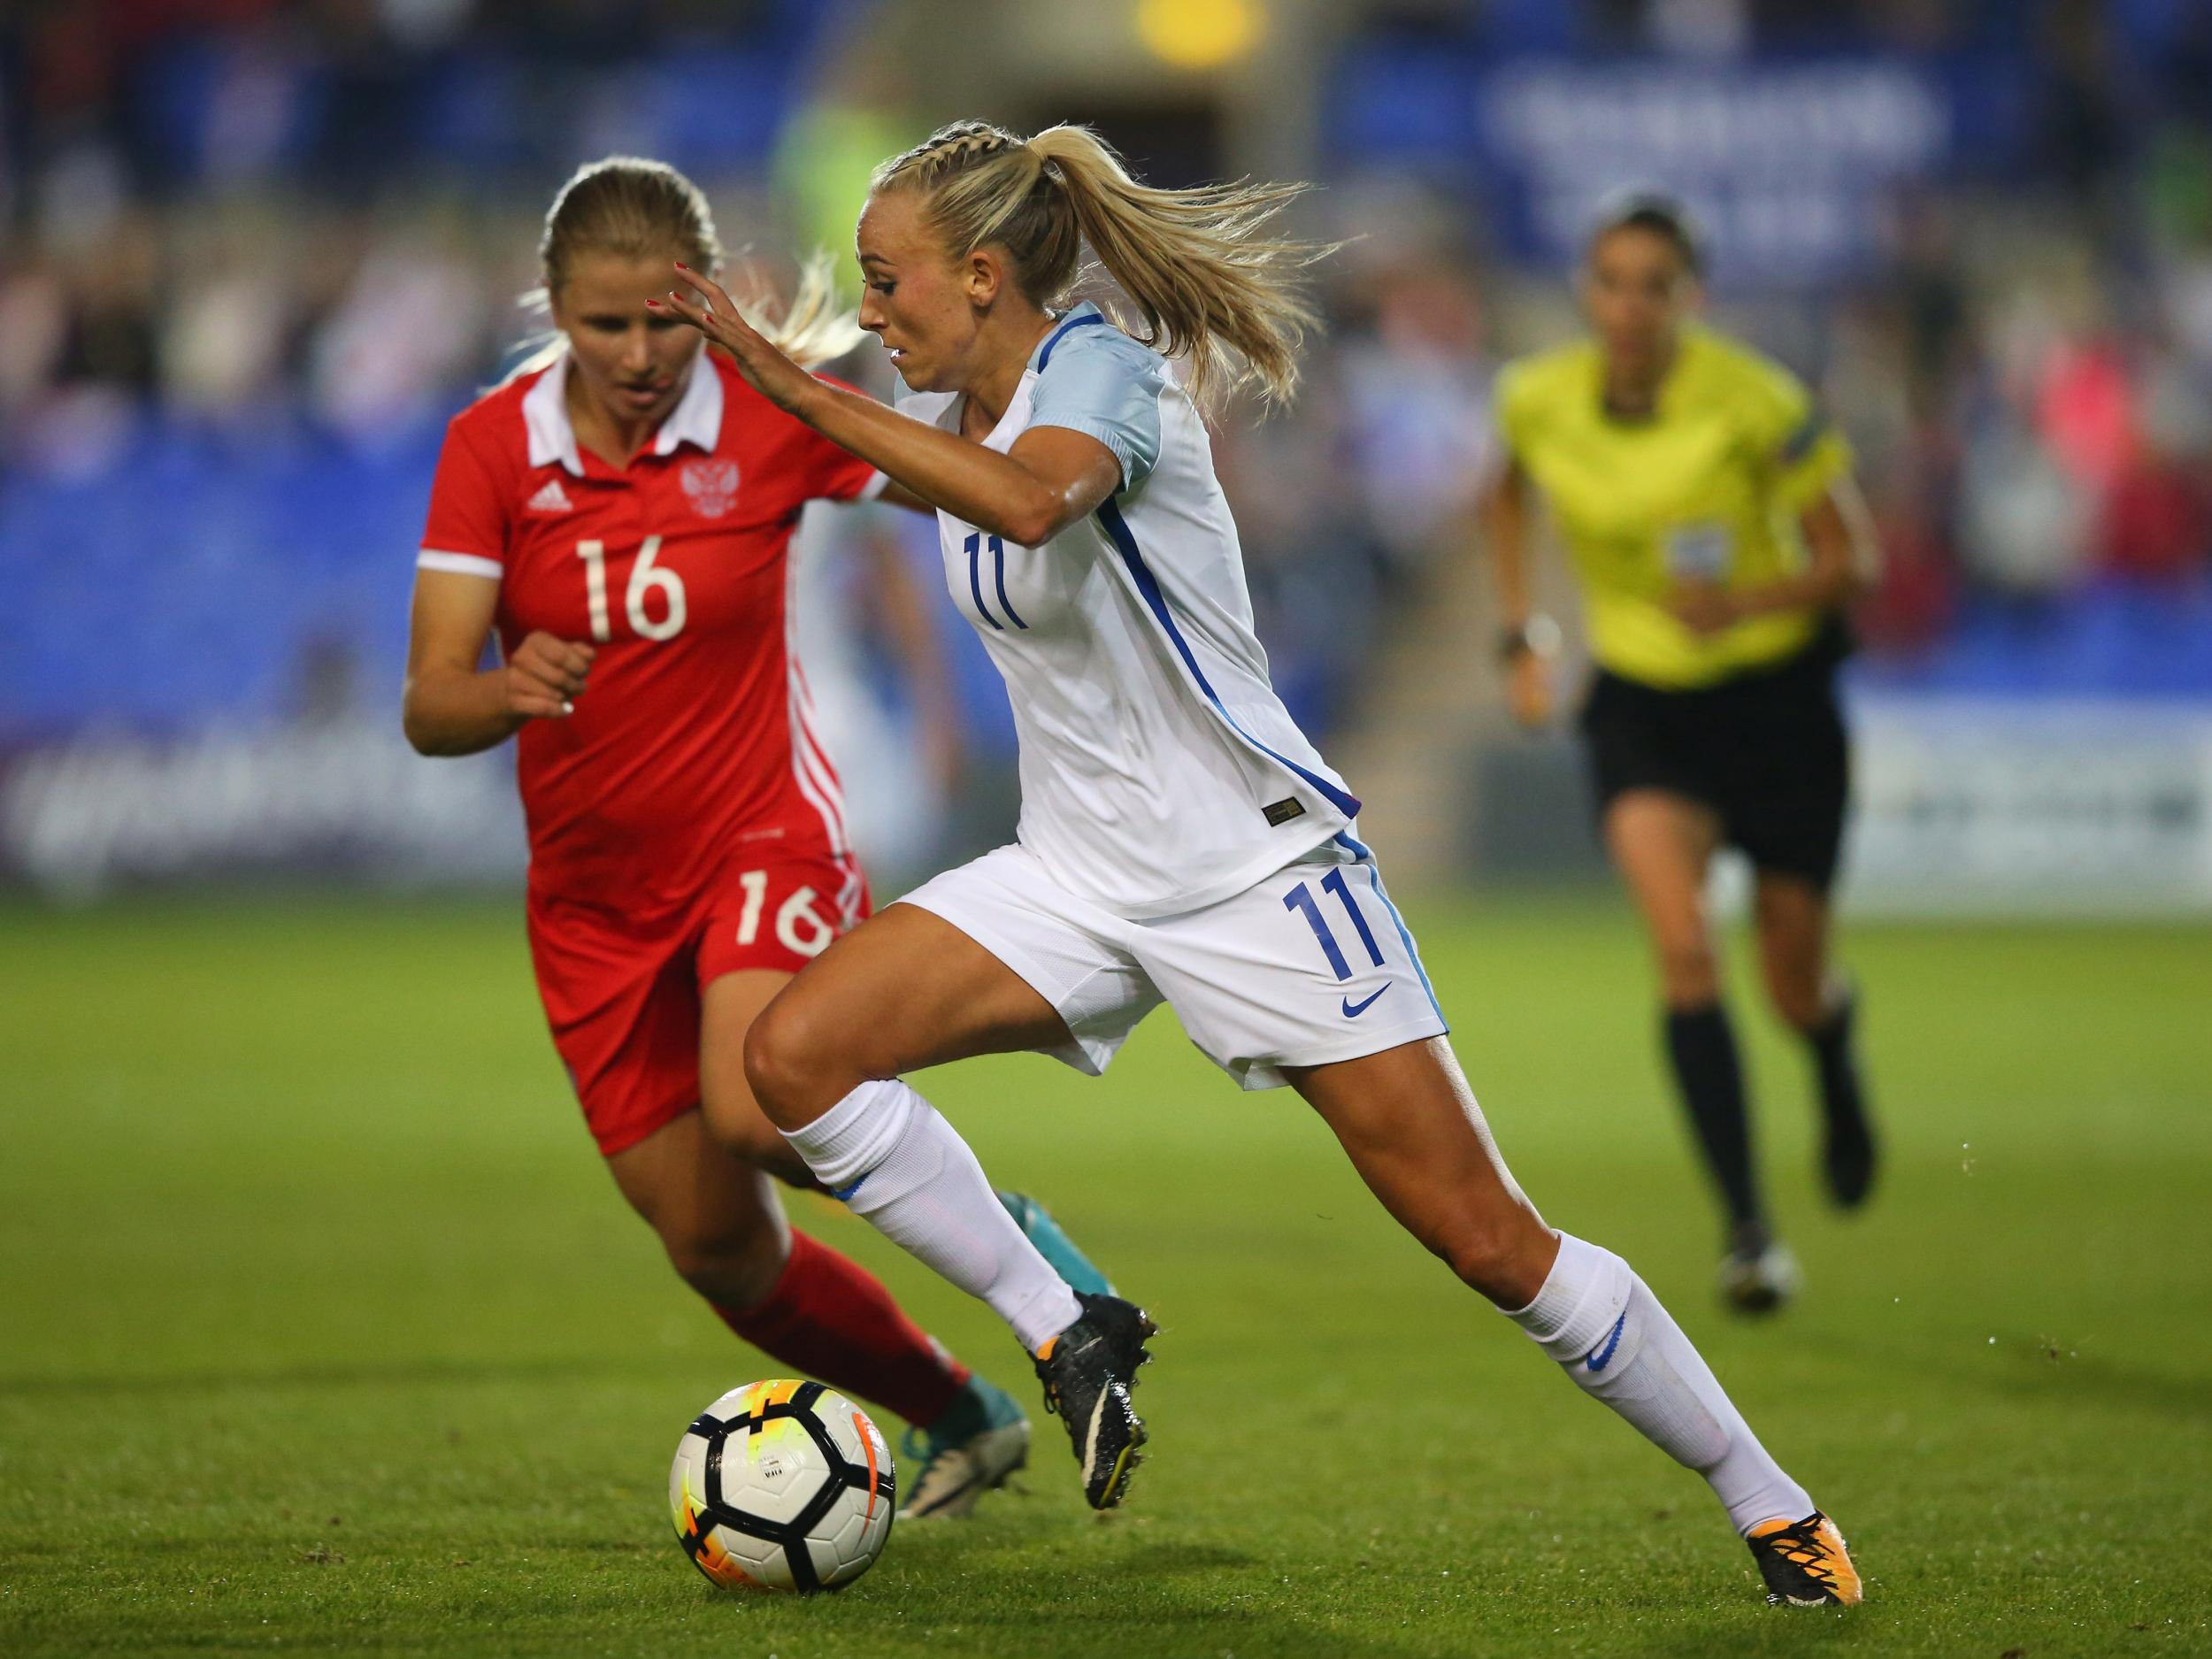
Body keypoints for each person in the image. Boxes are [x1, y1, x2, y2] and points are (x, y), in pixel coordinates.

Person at [652, 123, 1863, 1608]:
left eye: (888, 278)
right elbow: (929, 484)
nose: (869, 306)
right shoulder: (965, 423)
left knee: (1491, 1243)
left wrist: (797, 393)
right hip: (1075, 881)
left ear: (982, 276)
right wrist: (728, 425)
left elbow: (1035, 501)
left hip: (1260, 883)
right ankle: (1064, 1321)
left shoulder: (1097, 372)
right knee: (795, 1057)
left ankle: (1773, 1503)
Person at [400, 156, 1113, 1520]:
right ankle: (964, 1413)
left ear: (705, 301)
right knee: (717, 1243)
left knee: (761, 1097)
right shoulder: (491, 448)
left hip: (761, 833)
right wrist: (506, 685)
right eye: (605, 325)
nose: (640, 353)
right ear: (554, 309)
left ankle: (1042, 1276)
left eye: (666, 320)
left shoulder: (771, 411)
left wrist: (1089, 460)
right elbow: (431, 700)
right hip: (594, 904)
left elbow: (977, 482)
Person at [1479, 195, 1882, 1313]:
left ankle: (1832, 1048)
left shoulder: (1755, 399)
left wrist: (1746, 598)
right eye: (1609, 281)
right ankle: (1749, 1232)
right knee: (1684, 951)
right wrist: (1524, 633)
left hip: (1777, 706)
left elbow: (1855, 556)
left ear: (1685, 298)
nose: (1627, 305)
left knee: (1790, 986)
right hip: (1644, 705)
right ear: (1585, 290)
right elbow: (1500, 494)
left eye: (1652, 286)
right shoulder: (1536, 396)